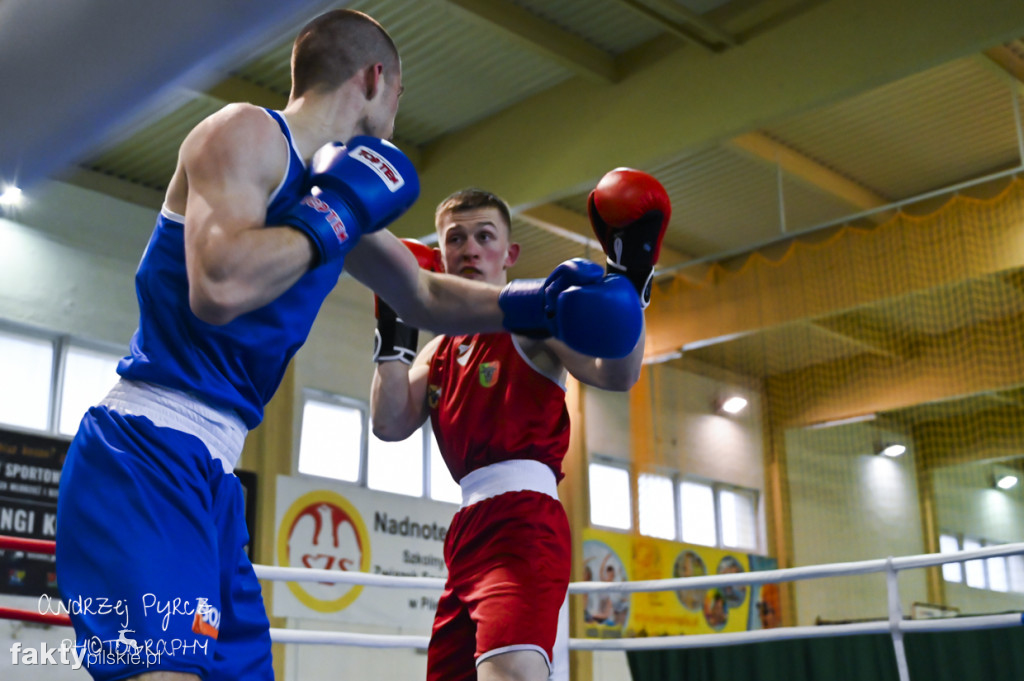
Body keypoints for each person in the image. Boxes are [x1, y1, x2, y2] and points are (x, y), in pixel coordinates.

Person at [54, 10, 640, 681]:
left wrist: (540, 302)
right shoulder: (245, 133)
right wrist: (334, 212)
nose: (397, 111)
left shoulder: (339, 202)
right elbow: (218, 284)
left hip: (212, 474)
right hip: (146, 450)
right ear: (375, 80)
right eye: (399, 94)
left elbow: (423, 295)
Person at [370, 172, 670, 681]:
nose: (470, 248)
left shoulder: (531, 319)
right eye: (456, 238)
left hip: (523, 520)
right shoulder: (437, 350)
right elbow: (389, 422)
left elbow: (616, 374)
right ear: (440, 256)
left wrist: (630, 278)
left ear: (509, 254)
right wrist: (395, 327)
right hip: (466, 531)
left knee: (511, 671)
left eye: (485, 236)